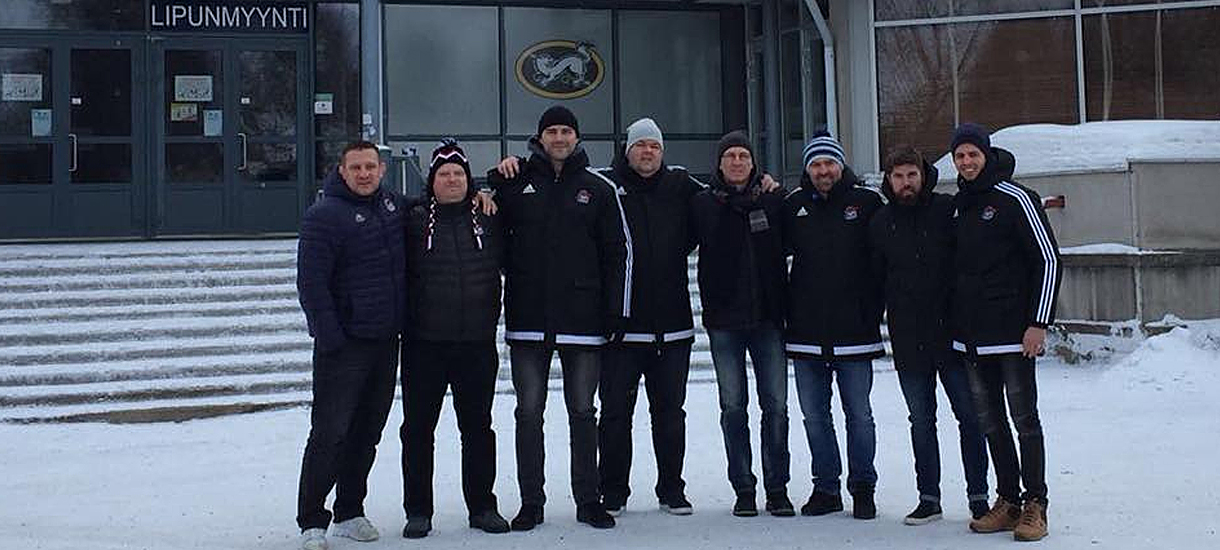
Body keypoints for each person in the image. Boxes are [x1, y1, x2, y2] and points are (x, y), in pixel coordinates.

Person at [484, 105, 631, 530]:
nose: (560, 138)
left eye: (567, 131)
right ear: (540, 137)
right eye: (552, 131)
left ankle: (588, 500)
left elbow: (618, 253)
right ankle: (531, 503)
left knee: (583, 412)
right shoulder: (517, 184)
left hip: (584, 321)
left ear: (577, 137)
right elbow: (489, 227)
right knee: (528, 413)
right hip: (529, 318)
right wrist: (492, 182)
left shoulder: (598, 188)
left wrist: (616, 311)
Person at [948, 123, 1061, 542]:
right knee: (990, 422)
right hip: (972, 337)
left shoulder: (1016, 198)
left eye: (972, 154)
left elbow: (1048, 261)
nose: (967, 162)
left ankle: (1035, 504)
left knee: (1024, 420)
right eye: (960, 156)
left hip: (1014, 335)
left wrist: (1038, 322)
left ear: (986, 154)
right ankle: (1009, 500)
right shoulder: (958, 205)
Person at [868, 145, 990, 525]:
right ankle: (929, 497)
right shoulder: (880, 222)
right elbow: (874, 280)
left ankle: (979, 497)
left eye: (912, 175)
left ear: (923, 176)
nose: (906, 182)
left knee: (970, 417)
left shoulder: (946, 210)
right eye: (898, 176)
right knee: (921, 421)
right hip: (908, 338)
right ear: (889, 180)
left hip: (952, 336)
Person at [295, 141, 406, 550]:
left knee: (367, 432)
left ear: (382, 170)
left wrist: (481, 196)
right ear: (341, 171)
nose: (364, 174)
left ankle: (349, 511)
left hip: (385, 341)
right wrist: (330, 336)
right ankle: (312, 520)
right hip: (343, 345)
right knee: (330, 433)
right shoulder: (324, 215)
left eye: (370, 167)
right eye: (356, 167)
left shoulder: (393, 206)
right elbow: (311, 283)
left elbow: (439, 205)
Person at [590, 118, 702, 517]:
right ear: (628, 150)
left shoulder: (681, 185)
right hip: (622, 328)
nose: (648, 152)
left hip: (673, 328)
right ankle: (613, 491)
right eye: (640, 145)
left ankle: (672, 488)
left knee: (670, 415)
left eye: (654, 146)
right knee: (615, 414)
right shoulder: (606, 186)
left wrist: (765, 185)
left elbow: (724, 196)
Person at [399, 139, 509, 539]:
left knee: (478, 429)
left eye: (458, 173)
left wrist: (495, 186)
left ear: (468, 179)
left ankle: (482, 506)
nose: (451, 180)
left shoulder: (490, 217)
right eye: (443, 174)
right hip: (423, 345)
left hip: (476, 344)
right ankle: (418, 510)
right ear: (432, 180)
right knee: (417, 430)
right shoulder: (411, 220)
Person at [689, 130, 792, 518]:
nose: (736, 162)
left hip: (768, 319)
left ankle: (777, 487)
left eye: (743, 156)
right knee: (733, 407)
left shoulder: (774, 200)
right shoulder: (702, 204)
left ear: (753, 162)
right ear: (719, 163)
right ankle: (743, 486)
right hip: (724, 322)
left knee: (776, 406)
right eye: (729, 155)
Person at [782, 131, 884, 520]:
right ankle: (826, 488)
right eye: (816, 164)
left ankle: (863, 488)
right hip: (806, 334)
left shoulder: (868, 203)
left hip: (855, 333)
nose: (823, 171)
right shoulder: (793, 206)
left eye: (829, 163)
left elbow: (884, 261)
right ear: (807, 169)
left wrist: (872, 311)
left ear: (840, 165)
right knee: (815, 416)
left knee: (859, 415)